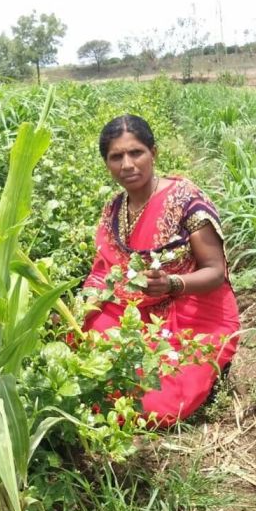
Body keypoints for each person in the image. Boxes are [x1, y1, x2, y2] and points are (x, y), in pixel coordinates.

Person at [83, 114, 239, 425]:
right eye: (116, 157)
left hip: (191, 309)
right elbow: (103, 268)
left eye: (136, 152)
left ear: (153, 153)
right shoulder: (114, 209)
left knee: (156, 401)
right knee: (84, 347)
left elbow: (215, 271)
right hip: (131, 308)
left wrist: (172, 284)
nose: (127, 164)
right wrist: (87, 299)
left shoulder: (185, 199)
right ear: (107, 164)